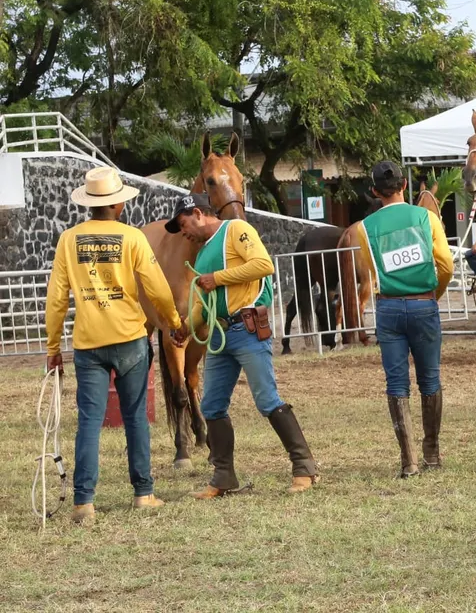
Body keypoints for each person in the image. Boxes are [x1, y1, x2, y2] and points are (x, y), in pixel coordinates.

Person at [45, 166, 189, 526]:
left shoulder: (68, 240)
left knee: (89, 423)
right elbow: (156, 287)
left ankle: (84, 503)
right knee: (135, 418)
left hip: (88, 344)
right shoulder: (132, 238)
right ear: (118, 206)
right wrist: (173, 323)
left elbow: (57, 298)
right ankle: (143, 493)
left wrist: (52, 347)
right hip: (129, 339)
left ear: (89, 205)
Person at [164, 194, 319, 498]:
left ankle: (305, 467)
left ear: (198, 213)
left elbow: (263, 265)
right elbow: (204, 301)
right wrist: (186, 328)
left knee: (267, 399)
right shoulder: (203, 251)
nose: (184, 233)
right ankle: (223, 478)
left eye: (184, 225)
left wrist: (218, 278)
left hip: (247, 328)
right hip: (220, 334)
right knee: (211, 406)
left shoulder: (235, 230)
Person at [357, 161, 453, 478]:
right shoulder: (426, 218)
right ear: (404, 186)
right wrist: (431, 295)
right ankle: (433, 453)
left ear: (374, 191)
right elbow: (446, 265)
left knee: (396, 383)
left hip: (388, 310)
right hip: (424, 305)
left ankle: (409, 460)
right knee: (430, 379)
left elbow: (369, 273)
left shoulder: (364, 228)